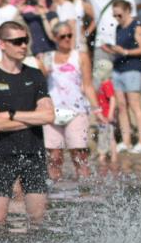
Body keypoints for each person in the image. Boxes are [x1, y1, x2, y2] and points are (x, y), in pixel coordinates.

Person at [0, 20, 56, 226]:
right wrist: (33, 118)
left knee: (38, 220)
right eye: (17, 41)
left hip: (34, 153)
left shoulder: (35, 75)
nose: (23, 45)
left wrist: (12, 114)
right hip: (1, 154)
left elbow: (49, 116)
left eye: (25, 40)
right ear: (2, 44)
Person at [39, 21, 100, 180]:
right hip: (52, 111)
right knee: (54, 157)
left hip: (77, 109)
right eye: (62, 36)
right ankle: (56, 192)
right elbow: (39, 83)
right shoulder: (47, 57)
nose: (67, 39)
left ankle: (85, 191)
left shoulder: (80, 56)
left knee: (79, 155)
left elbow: (87, 85)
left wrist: (97, 109)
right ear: (54, 37)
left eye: (70, 35)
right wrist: (43, 68)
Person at [83, 0, 135, 88]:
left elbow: (132, 23)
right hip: (102, 45)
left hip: (122, 47)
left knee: (121, 89)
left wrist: (126, 47)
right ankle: (101, 108)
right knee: (100, 83)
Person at [105, 0, 141, 153]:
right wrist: (111, 50)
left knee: (135, 105)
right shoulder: (118, 27)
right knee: (121, 106)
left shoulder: (136, 26)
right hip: (118, 68)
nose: (117, 18)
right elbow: (120, 49)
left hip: (132, 68)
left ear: (128, 10)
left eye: (119, 15)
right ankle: (126, 141)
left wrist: (125, 52)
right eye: (114, 15)